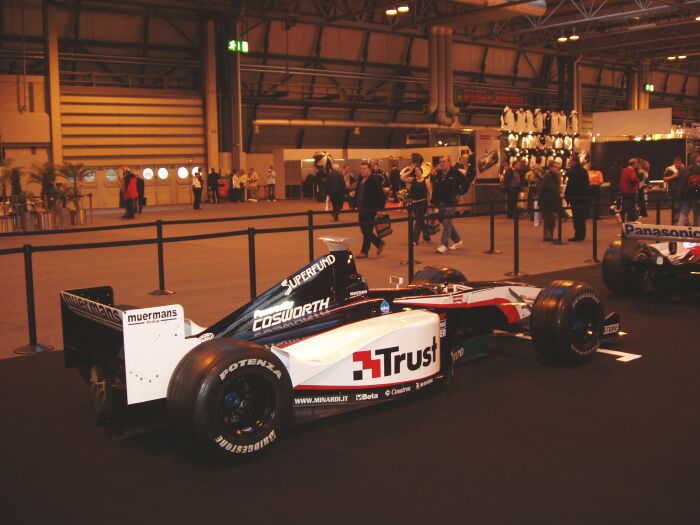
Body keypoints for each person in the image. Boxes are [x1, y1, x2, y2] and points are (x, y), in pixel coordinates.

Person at [432, 155, 466, 253]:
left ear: (449, 162)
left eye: (444, 161)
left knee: (447, 222)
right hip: (441, 202)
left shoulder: (455, 173)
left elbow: (465, 182)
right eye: (440, 162)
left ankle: (444, 244)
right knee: (446, 222)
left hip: (451, 202)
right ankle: (457, 240)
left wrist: (459, 193)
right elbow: (436, 188)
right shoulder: (438, 174)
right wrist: (434, 202)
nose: (441, 164)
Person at [356, 161, 385, 259]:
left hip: (370, 210)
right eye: (361, 169)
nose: (362, 171)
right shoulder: (361, 180)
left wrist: (379, 210)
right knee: (364, 230)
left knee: (367, 231)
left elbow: (381, 196)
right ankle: (379, 243)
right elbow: (358, 193)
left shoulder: (374, 181)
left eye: (364, 169)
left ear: (369, 170)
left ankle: (364, 251)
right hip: (361, 210)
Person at [401, 157, 432, 245]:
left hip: (422, 203)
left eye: (418, 170)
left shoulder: (426, 181)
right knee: (420, 220)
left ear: (422, 172)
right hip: (413, 203)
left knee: (418, 220)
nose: (416, 172)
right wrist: (411, 171)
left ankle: (414, 240)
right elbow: (402, 178)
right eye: (416, 171)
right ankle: (426, 236)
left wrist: (431, 206)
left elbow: (430, 193)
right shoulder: (413, 180)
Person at [564, 155, 590, 241]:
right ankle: (581, 234)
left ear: (575, 162)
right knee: (581, 217)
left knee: (577, 217)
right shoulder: (583, 171)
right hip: (582, 197)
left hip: (576, 198)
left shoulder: (575, 171)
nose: (569, 163)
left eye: (571, 161)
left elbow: (568, 176)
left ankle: (578, 235)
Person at [537, 160, 562, 241]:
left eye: (558, 167)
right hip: (548, 200)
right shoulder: (549, 176)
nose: (557, 168)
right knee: (549, 218)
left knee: (552, 218)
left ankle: (549, 235)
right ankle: (547, 235)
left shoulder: (555, 175)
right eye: (555, 167)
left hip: (552, 200)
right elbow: (550, 187)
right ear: (551, 167)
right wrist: (558, 192)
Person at [676, 154, 700, 226]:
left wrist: (679, 195)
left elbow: (680, 183)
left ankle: (679, 230)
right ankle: (696, 232)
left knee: (683, 213)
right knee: (697, 214)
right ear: (696, 160)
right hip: (696, 195)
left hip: (685, 195)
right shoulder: (698, 169)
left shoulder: (684, 170)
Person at [664, 156, 684, 224]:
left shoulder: (683, 169)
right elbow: (665, 179)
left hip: (682, 191)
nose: (679, 165)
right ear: (674, 163)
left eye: (680, 163)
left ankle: (684, 221)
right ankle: (675, 222)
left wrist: (683, 170)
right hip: (673, 191)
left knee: (683, 208)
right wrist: (674, 176)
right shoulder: (669, 169)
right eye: (677, 163)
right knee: (676, 207)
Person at [620, 158, 640, 222]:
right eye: (637, 163)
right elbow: (633, 178)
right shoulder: (631, 171)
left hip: (624, 190)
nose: (638, 165)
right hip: (631, 191)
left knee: (625, 205)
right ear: (633, 164)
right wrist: (638, 180)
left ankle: (622, 216)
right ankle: (632, 219)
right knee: (632, 206)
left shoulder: (624, 170)